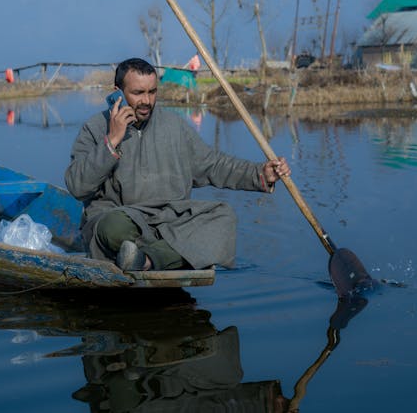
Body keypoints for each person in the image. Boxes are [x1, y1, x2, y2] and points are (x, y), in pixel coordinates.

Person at [65, 57, 291, 272]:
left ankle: (146, 261)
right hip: (122, 219)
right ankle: (164, 253)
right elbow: (77, 186)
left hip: (168, 220)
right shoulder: (95, 128)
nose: (146, 101)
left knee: (223, 217)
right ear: (118, 93)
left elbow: (213, 165)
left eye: (152, 92)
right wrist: (111, 142)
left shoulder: (174, 126)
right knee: (112, 227)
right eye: (138, 93)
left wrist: (260, 173)